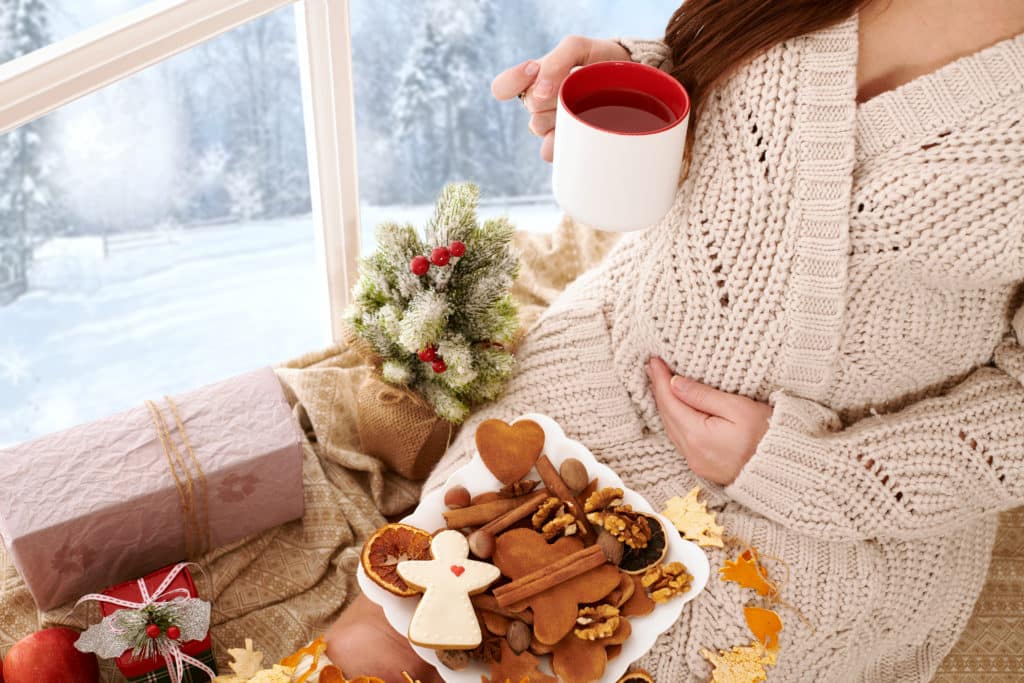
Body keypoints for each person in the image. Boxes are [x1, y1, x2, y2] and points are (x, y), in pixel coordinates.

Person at [327, 0, 1024, 680]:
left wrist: (796, 463)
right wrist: (641, 77)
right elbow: (736, 73)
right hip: (603, 368)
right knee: (375, 643)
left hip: (820, 508)